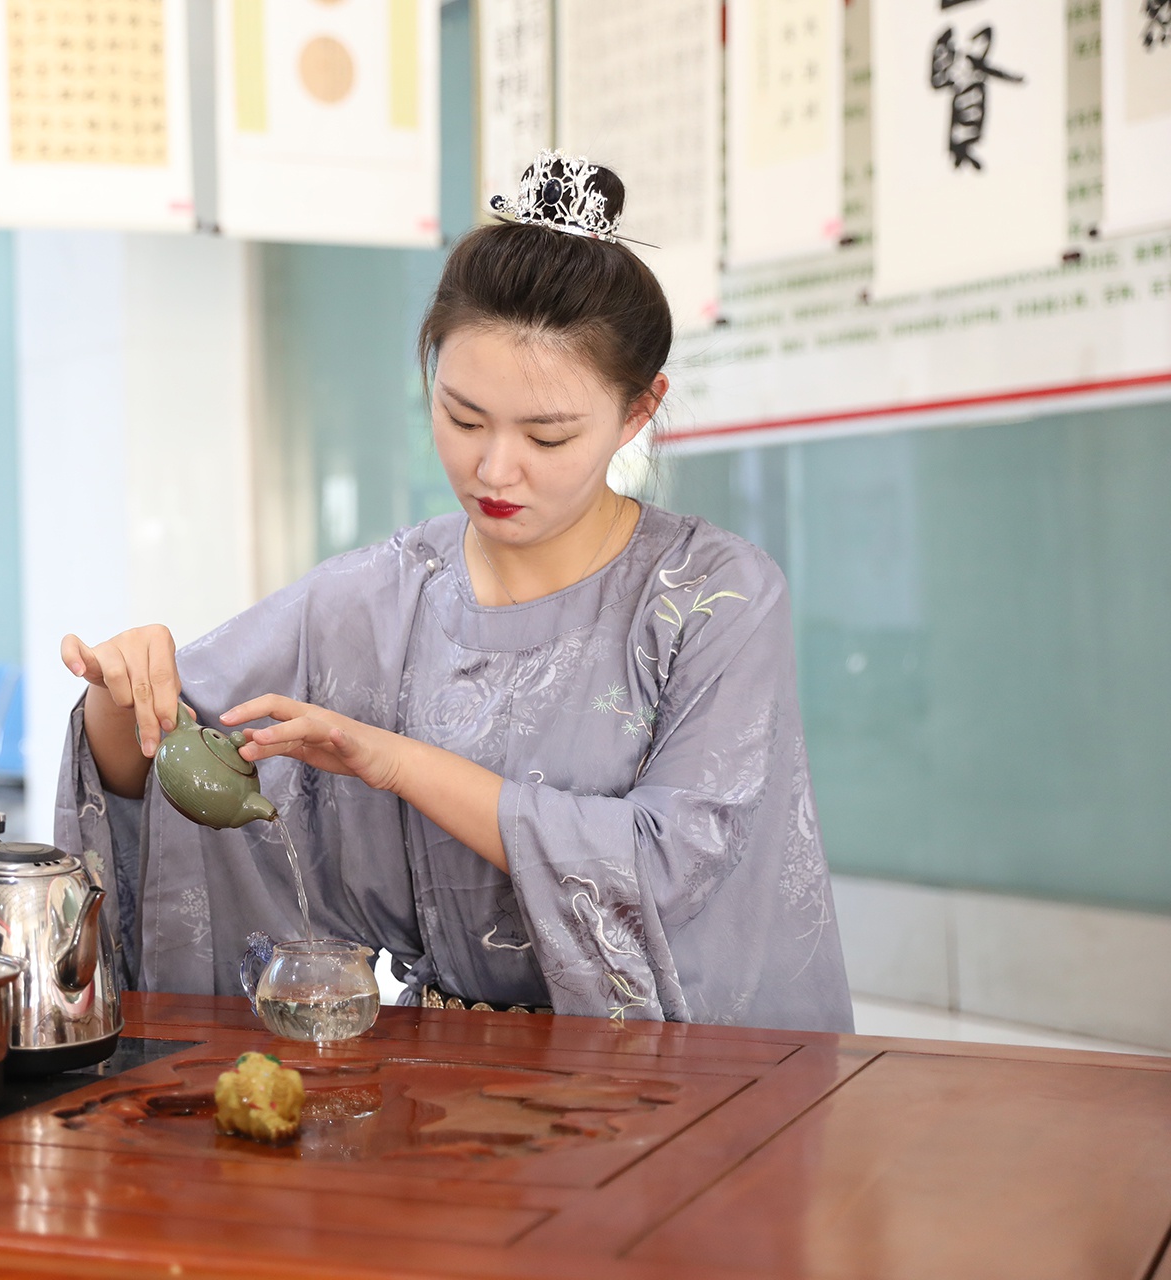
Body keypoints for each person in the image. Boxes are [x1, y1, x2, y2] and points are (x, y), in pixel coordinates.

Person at [53, 153, 853, 1033]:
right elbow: (160, 787)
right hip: (437, 1067)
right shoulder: (373, 600)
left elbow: (669, 864)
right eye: (463, 417)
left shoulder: (712, 597)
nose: (494, 468)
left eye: (548, 437)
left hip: (666, 1076)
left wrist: (395, 762)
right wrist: (119, 695)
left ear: (638, 411)